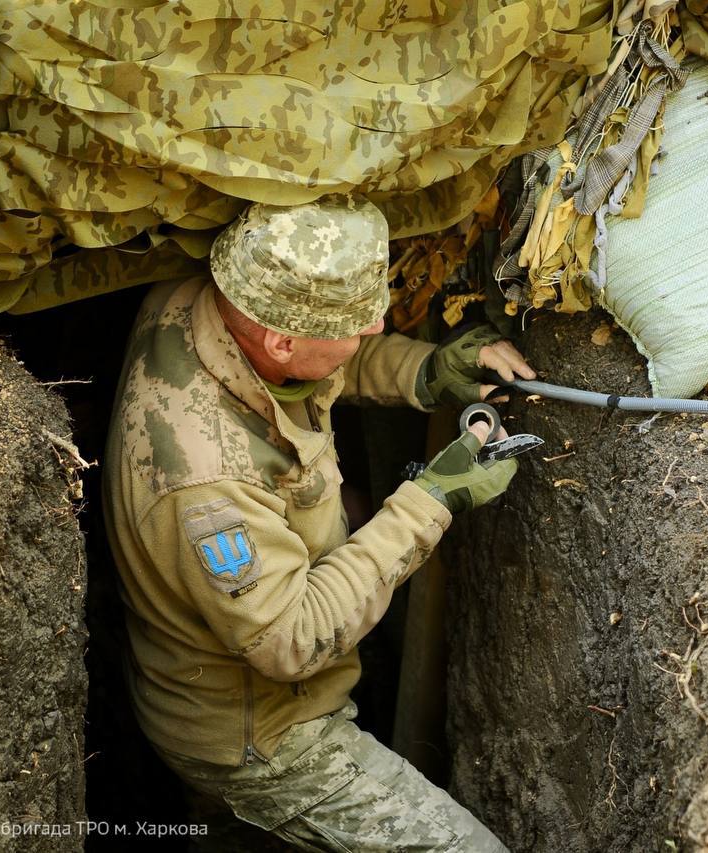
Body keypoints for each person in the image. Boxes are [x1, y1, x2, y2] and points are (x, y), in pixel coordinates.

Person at [102, 195, 536, 851]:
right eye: (356, 324)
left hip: (199, 680)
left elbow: (318, 362)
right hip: (262, 741)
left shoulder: (216, 302)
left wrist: (424, 371)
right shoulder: (207, 480)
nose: (375, 327)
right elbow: (291, 638)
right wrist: (434, 499)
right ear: (281, 336)